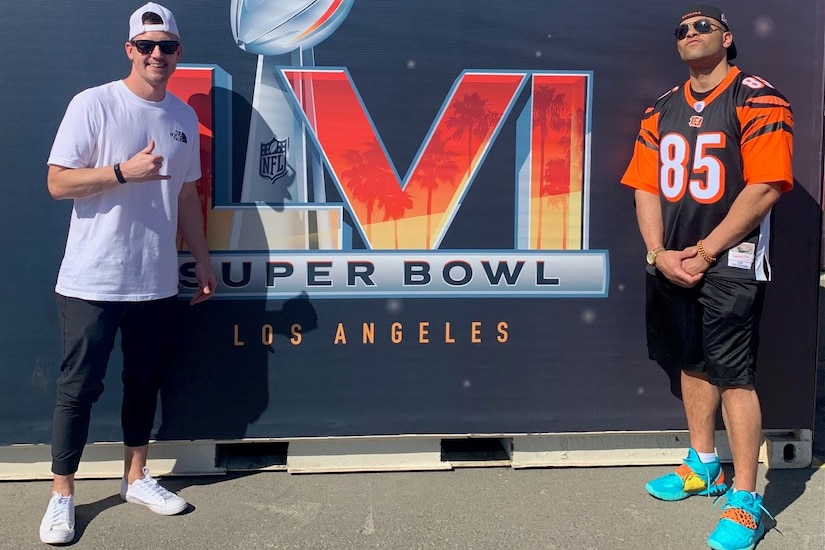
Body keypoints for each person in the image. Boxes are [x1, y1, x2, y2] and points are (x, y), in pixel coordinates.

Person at [39, 3, 217, 545]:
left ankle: (135, 477)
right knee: (79, 389)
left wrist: (201, 259)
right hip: (92, 279)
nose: (157, 55)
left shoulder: (184, 118)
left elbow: (186, 196)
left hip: (157, 279)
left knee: (144, 383)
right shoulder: (93, 104)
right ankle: (62, 495)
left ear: (178, 53)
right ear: (130, 50)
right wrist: (123, 172)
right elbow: (57, 183)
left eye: (167, 46)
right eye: (147, 46)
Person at [621, 5, 793, 550]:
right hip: (673, 259)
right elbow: (644, 185)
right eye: (682, 30)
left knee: (734, 375)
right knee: (690, 360)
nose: (691, 34)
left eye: (703, 26)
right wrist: (658, 252)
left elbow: (765, 186)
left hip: (730, 260)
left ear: (727, 37)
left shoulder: (758, 98)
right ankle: (702, 465)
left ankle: (747, 499)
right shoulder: (662, 109)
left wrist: (704, 250)